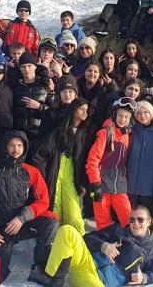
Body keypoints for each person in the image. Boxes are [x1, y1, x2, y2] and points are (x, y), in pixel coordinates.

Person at [0, 131, 58, 286]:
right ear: (4, 147)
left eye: (19, 145)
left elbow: (43, 201)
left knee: (51, 220)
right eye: (11, 145)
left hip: (18, 225)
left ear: (24, 148)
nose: (15, 149)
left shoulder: (32, 172)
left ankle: (40, 267)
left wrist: (22, 218)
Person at [40, 205, 153, 287]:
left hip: (98, 281)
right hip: (85, 261)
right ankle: (50, 277)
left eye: (140, 219)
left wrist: (143, 278)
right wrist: (103, 246)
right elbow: (87, 238)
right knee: (67, 230)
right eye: (132, 219)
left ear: (149, 221)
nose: (135, 223)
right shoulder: (117, 229)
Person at [30, 98, 91, 235]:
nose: (84, 112)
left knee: (74, 214)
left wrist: (84, 181)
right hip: (56, 171)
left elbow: (88, 159)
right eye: (81, 109)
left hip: (73, 175)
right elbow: (39, 155)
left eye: (86, 111)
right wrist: (43, 176)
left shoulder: (87, 133)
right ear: (74, 109)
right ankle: (56, 244)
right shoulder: (59, 130)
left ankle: (78, 245)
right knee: (55, 210)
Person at [86, 98, 135, 231]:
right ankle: (105, 245)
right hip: (101, 184)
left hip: (119, 184)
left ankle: (132, 244)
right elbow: (93, 160)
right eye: (120, 115)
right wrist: (95, 184)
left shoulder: (127, 136)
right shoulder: (105, 133)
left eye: (126, 117)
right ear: (114, 115)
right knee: (102, 220)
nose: (123, 119)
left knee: (127, 216)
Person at [126, 101, 153, 234]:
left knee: (149, 221)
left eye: (145, 112)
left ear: (151, 114)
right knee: (129, 219)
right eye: (138, 113)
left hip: (148, 187)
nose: (142, 116)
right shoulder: (130, 132)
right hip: (129, 185)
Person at [11, 52, 52, 144]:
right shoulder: (15, 87)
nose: (26, 69)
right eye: (23, 66)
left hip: (40, 135)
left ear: (35, 67)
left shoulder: (45, 86)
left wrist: (39, 106)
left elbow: (54, 111)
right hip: (19, 136)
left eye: (29, 66)